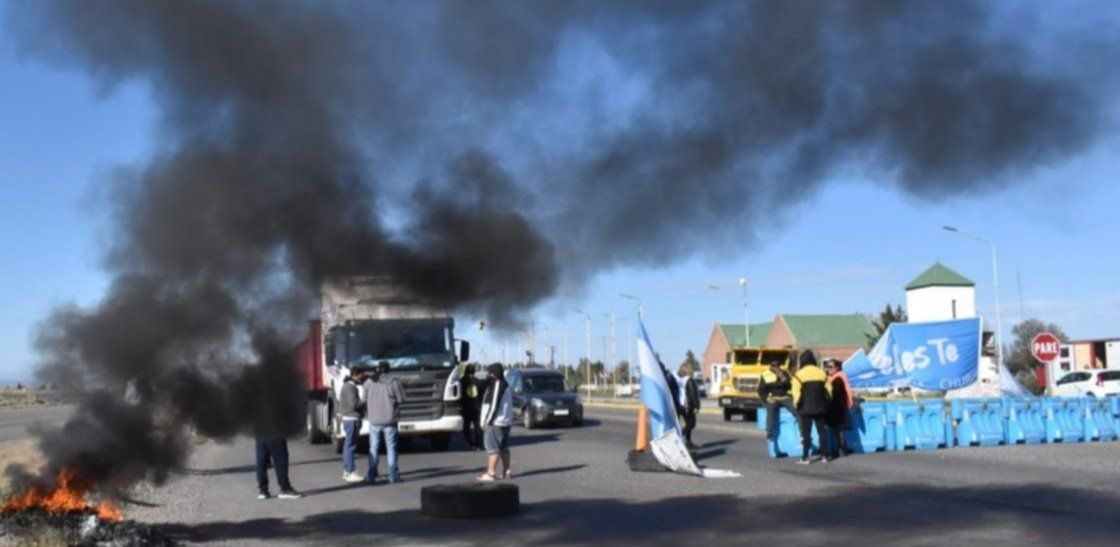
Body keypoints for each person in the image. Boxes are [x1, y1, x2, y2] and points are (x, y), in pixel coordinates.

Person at [364, 360, 406, 484]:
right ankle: (393, 476)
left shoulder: (369, 382)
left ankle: (372, 476)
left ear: (377, 369)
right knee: (391, 448)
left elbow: (363, 399)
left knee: (373, 448)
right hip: (390, 420)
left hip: (374, 420)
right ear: (389, 369)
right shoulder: (394, 382)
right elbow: (401, 399)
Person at [791, 349, 831, 465]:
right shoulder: (821, 373)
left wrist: (796, 406)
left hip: (805, 408)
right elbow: (829, 390)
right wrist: (827, 403)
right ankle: (824, 456)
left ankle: (805, 457)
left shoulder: (799, 374)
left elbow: (796, 393)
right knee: (822, 432)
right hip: (820, 407)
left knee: (806, 433)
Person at [477, 363, 514, 481]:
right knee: (504, 448)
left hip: (496, 422)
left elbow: (494, 404)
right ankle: (507, 471)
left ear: (495, 373)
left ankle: (490, 473)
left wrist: (488, 420)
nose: (489, 375)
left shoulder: (498, 384)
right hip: (505, 422)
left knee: (493, 448)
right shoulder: (506, 385)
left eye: (491, 373)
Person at [758, 359, 795, 441]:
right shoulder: (765, 375)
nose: (776, 368)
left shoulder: (785, 373)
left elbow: (791, 386)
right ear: (770, 366)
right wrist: (767, 398)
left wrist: (783, 378)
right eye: (774, 366)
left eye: (777, 366)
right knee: (770, 411)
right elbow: (761, 390)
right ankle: (769, 433)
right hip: (773, 398)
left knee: (795, 410)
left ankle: (802, 432)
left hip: (785, 397)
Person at [339, 368, 366, 483]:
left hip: (349, 419)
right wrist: (365, 401)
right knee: (350, 446)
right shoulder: (350, 387)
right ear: (355, 375)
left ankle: (347, 471)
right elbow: (354, 404)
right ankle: (351, 471)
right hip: (352, 419)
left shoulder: (347, 386)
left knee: (348, 445)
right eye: (361, 375)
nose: (362, 378)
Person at [824, 358, 854, 457]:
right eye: (827, 366)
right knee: (837, 430)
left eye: (830, 367)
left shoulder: (838, 378)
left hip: (837, 408)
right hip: (836, 407)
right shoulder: (834, 377)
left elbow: (834, 392)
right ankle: (840, 448)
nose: (828, 369)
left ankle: (841, 448)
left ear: (837, 368)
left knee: (838, 429)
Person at [677, 364, 701, 449]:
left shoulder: (681, 380)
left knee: (688, 424)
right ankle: (680, 439)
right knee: (691, 424)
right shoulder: (690, 380)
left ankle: (688, 442)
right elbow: (693, 394)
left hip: (681, 405)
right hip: (688, 405)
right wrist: (696, 406)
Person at [460, 364, 483, 450]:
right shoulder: (478, 381)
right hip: (477, 408)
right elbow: (481, 395)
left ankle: (469, 443)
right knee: (477, 427)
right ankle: (478, 445)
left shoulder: (461, 381)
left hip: (465, 408)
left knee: (466, 427)